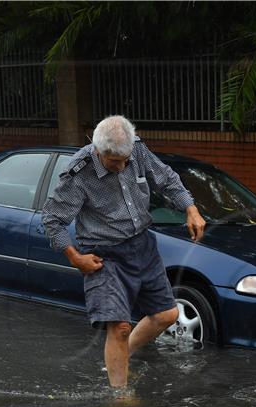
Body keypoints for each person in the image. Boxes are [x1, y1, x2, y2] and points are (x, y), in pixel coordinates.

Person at [42, 115, 206, 389]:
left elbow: (166, 179)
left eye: (126, 160)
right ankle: (119, 399)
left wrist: (191, 208)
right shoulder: (79, 173)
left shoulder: (136, 149)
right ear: (97, 150)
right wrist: (75, 257)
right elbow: (52, 219)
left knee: (167, 315)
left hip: (143, 245)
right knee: (119, 327)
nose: (122, 167)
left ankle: (118, 357)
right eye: (113, 162)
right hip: (104, 255)